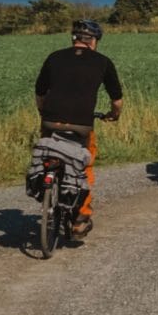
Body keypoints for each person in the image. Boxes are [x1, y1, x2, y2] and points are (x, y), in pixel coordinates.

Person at [34, 19, 123, 238]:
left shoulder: (54, 57)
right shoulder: (103, 62)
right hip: (81, 125)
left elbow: (39, 93)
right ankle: (80, 219)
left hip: (50, 122)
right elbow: (117, 100)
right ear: (93, 41)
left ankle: (48, 179)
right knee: (84, 165)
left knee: (49, 151)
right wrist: (113, 115)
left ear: (74, 39)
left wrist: (44, 114)